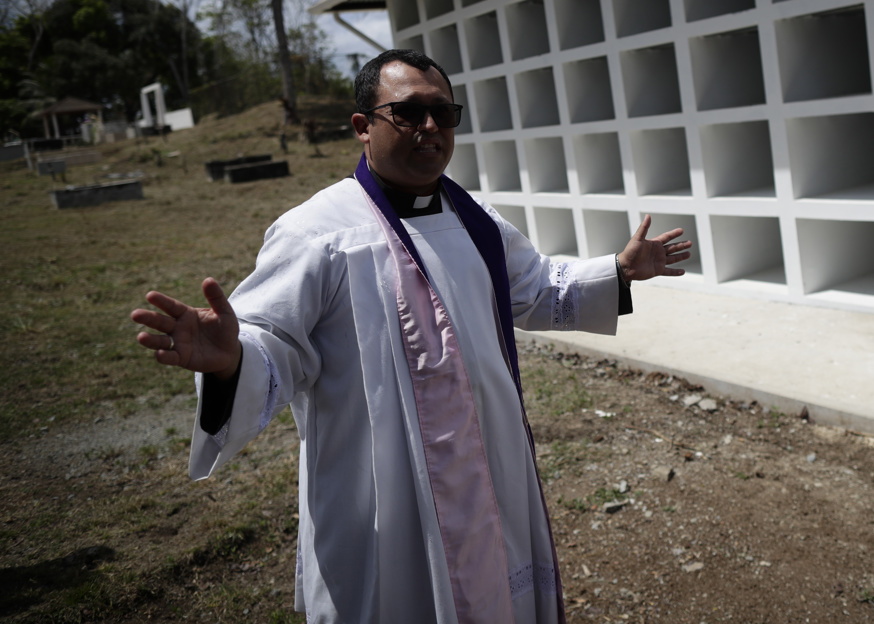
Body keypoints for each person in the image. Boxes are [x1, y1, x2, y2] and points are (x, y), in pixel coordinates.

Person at [130, 49, 692, 623]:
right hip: (384, 488)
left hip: (487, 465)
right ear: (362, 127)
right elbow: (273, 343)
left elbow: (535, 287)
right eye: (408, 112)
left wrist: (616, 271)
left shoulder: (476, 219)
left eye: (443, 114)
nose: (430, 128)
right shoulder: (316, 234)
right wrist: (231, 362)